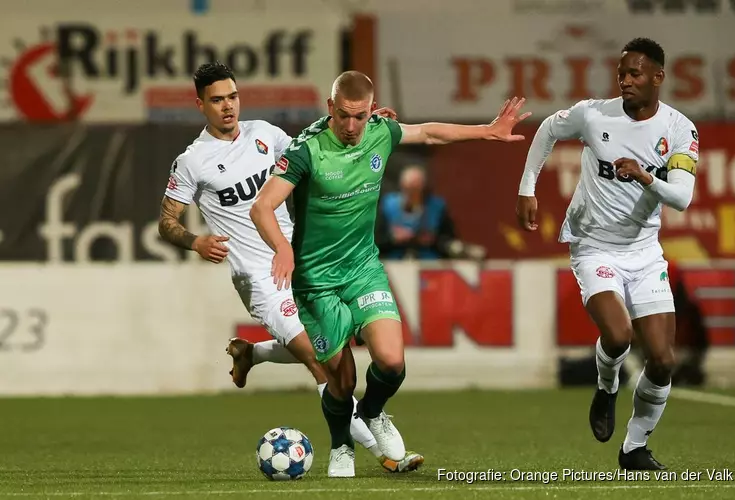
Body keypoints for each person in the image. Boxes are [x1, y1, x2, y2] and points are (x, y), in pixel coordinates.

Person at [250, 70, 530, 477]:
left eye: (360, 116)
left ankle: (374, 413)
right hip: (316, 281)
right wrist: (283, 250)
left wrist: (488, 131)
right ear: (331, 108)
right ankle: (342, 445)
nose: (351, 126)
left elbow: (430, 133)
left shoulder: (380, 130)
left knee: (392, 361)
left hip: (363, 268)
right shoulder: (306, 150)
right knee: (341, 380)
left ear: (370, 111)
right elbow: (262, 206)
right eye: (343, 116)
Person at [157, 61, 423, 474]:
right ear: (200, 105)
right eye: (216, 100)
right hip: (259, 276)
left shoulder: (267, 135)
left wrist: (363, 120)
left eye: (232, 96)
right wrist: (195, 241)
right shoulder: (193, 161)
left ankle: (253, 353)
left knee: (326, 352)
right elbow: (167, 220)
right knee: (325, 364)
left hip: (301, 263)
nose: (228, 107)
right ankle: (386, 453)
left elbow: (314, 143)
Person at [516, 38, 699, 470]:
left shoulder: (679, 129)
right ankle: (607, 385)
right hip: (593, 244)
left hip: (644, 252)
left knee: (663, 360)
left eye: (635, 74)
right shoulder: (593, 113)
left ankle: (634, 447)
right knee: (618, 336)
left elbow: (682, 198)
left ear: (658, 77)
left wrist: (644, 177)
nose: (626, 81)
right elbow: (546, 130)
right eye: (621, 73)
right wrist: (527, 186)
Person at [376, 165, 463, 260]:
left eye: (416, 189)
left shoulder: (437, 207)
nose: (411, 193)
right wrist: (392, 238)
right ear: (402, 186)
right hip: (394, 262)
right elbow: (374, 239)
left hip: (429, 262)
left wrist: (433, 240)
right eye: (408, 188)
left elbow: (450, 240)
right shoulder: (387, 205)